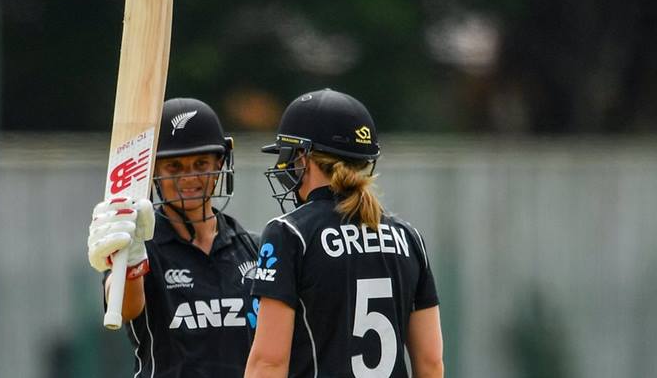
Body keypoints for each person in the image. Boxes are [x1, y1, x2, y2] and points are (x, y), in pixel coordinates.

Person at [244, 89, 444, 378]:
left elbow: (269, 363)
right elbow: (431, 363)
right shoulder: (409, 238)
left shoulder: (288, 234)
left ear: (304, 157)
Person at [87, 98, 260, 378]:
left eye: (201, 163)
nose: (189, 177)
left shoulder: (253, 247)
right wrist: (129, 262)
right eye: (175, 167)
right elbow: (125, 307)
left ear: (220, 163)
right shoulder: (142, 245)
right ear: (153, 171)